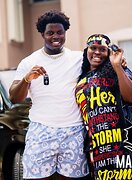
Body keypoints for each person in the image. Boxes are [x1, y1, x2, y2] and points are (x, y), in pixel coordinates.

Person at [9, 10, 89, 179]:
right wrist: (26, 79)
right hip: (41, 130)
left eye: (60, 32)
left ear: (65, 32)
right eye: (50, 33)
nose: (56, 36)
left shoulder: (79, 59)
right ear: (42, 34)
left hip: (73, 130)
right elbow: (15, 97)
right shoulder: (29, 62)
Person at [75, 34, 132, 180]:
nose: (97, 52)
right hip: (100, 145)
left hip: (127, 141)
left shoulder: (118, 69)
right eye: (93, 48)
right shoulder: (81, 78)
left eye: (102, 49)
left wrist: (117, 66)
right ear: (86, 50)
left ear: (108, 53)